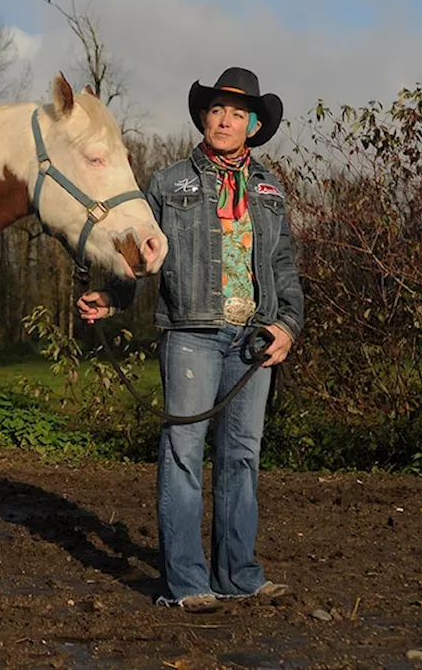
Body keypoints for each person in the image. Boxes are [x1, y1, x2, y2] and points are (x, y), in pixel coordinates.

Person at [76, 66, 305, 613]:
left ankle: (239, 575)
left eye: (237, 113)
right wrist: (110, 296)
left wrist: (288, 327)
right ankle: (186, 584)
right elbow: (141, 255)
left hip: (255, 341)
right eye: (217, 110)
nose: (225, 120)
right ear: (205, 117)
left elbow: (285, 267)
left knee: (241, 459)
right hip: (191, 336)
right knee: (183, 453)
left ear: (253, 124)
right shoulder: (168, 182)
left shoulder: (271, 190)